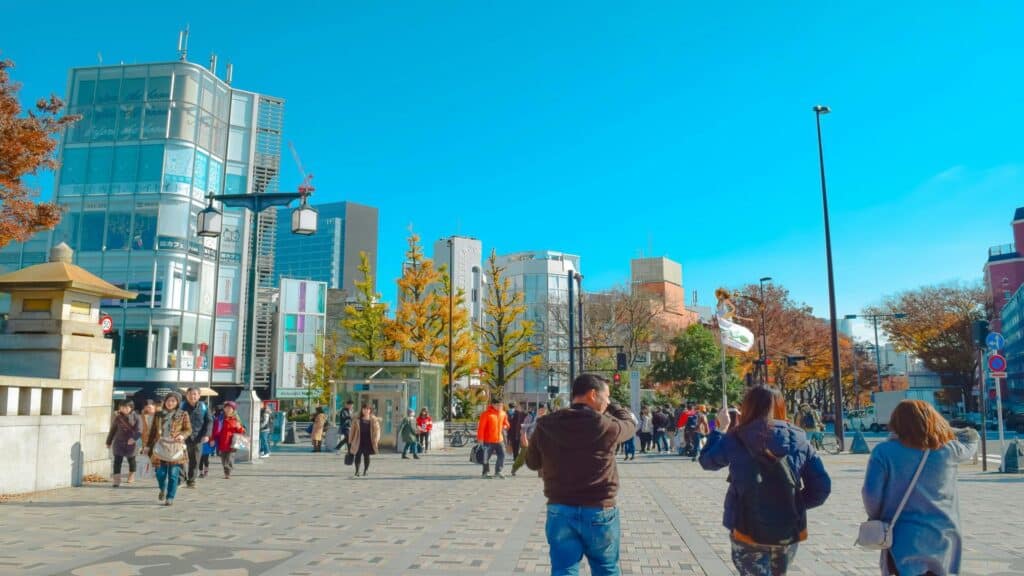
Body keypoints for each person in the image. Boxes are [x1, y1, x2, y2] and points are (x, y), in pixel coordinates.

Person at [699, 386, 831, 576]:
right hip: (787, 525)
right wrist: (792, 504)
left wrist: (721, 428)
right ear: (781, 406)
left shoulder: (736, 437)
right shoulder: (798, 437)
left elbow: (707, 462)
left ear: (748, 407)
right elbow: (821, 488)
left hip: (745, 523)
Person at [525, 374, 636, 576]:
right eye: (607, 396)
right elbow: (629, 424)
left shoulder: (546, 425)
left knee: (564, 570)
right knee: (606, 568)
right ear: (593, 395)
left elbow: (532, 463)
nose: (608, 401)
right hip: (599, 509)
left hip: (560, 509)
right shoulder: (606, 426)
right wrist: (615, 407)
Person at [861, 400, 979, 576]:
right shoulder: (949, 450)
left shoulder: (884, 451)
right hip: (944, 533)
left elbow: (871, 494)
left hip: (902, 533)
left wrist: (877, 517)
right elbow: (970, 438)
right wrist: (940, 429)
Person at [144, 391, 192, 506]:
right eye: (168, 400)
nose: (170, 403)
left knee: (173, 474)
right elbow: (153, 432)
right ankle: (162, 488)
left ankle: (170, 497)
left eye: (173, 401)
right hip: (160, 447)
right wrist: (147, 446)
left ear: (177, 402)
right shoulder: (158, 414)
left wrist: (182, 435)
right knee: (160, 473)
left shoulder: (183, 414)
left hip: (175, 447)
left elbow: (188, 429)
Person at [105, 400, 142, 487]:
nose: (124, 409)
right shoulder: (118, 418)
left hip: (131, 443)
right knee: (117, 461)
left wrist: (134, 438)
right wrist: (109, 441)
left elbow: (139, 430)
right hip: (119, 442)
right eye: (122, 407)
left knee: (131, 460)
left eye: (126, 407)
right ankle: (116, 480)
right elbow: (113, 430)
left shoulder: (137, 417)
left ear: (131, 408)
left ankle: (131, 475)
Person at [182, 387, 213, 489]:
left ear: (199, 396)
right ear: (187, 395)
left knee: (195, 460)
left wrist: (207, 434)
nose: (192, 396)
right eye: (190, 394)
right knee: (179, 459)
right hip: (183, 437)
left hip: (198, 438)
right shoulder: (181, 407)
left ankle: (191, 480)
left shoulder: (204, 407)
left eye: (195, 394)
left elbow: (209, 421)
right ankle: (181, 478)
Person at [212, 400, 246, 479]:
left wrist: (239, 427)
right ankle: (226, 470)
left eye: (230, 408)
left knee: (230, 458)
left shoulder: (236, 420)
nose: (228, 409)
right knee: (223, 459)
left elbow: (242, 431)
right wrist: (212, 439)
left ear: (233, 410)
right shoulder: (219, 419)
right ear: (224, 409)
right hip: (221, 442)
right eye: (226, 408)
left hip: (232, 443)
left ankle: (228, 472)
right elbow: (214, 430)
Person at [477, 397, 510, 478]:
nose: (500, 407)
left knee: (502, 455)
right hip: (488, 440)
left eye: (501, 405)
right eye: (498, 405)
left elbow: (507, 424)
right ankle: (485, 473)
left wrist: (505, 426)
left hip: (500, 440)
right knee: (486, 457)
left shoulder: (503, 413)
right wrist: (480, 439)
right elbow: (481, 428)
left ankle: (498, 471)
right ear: (493, 405)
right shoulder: (486, 414)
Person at [348, 404, 380, 477]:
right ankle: (357, 471)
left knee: (366, 456)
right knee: (358, 455)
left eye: (367, 409)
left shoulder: (374, 420)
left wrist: (376, 439)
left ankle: (366, 470)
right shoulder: (357, 419)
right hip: (358, 440)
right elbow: (352, 431)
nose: (365, 410)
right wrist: (350, 441)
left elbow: (377, 431)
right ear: (362, 410)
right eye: (364, 409)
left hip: (368, 440)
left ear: (370, 410)